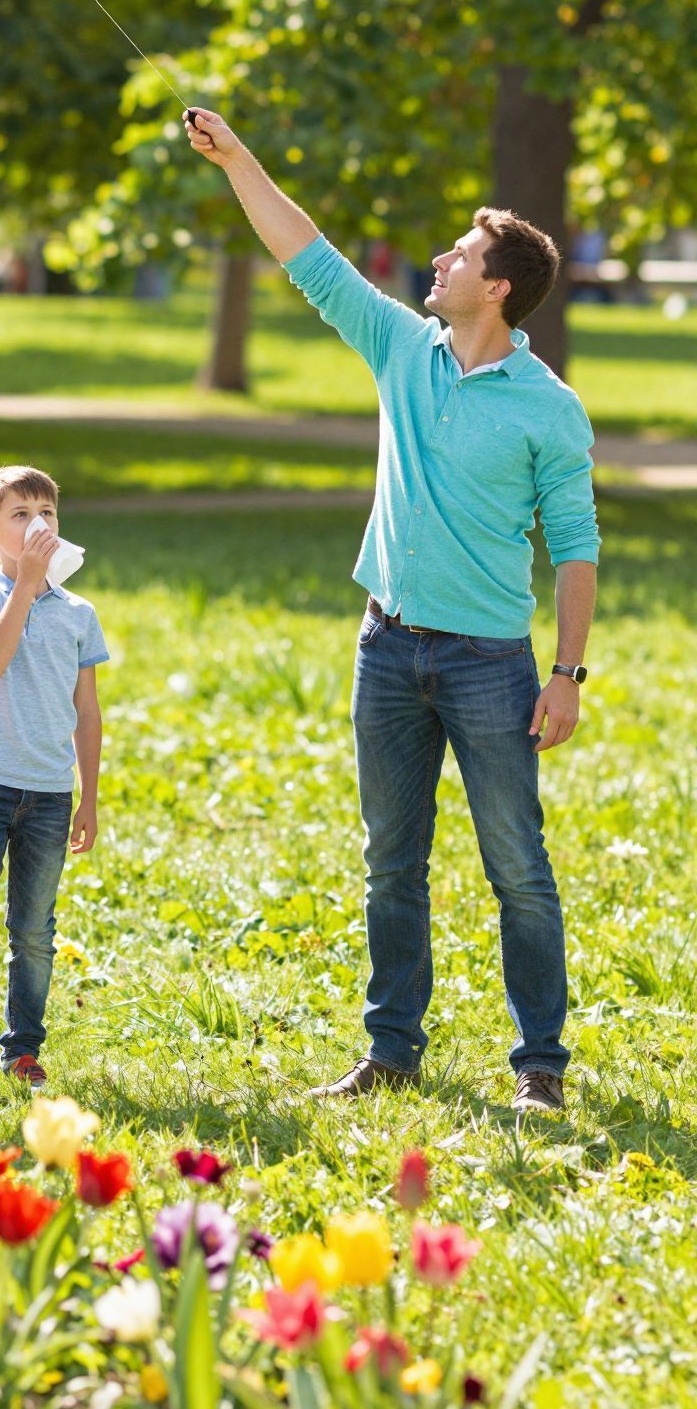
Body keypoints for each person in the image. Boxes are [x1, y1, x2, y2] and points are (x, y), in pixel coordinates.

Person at [184, 108, 599, 1115]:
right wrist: (237, 157)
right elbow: (307, 253)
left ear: (497, 288)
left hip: (490, 664)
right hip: (387, 647)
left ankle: (540, 1064)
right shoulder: (402, 346)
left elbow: (576, 549)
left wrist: (567, 673)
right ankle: (392, 1050)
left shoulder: (548, 406)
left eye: (460, 254)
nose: (440, 261)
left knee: (518, 866)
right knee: (390, 864)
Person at [0, 464, 108, 1103]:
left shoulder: (79, 613)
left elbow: (87, 711)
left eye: (48, 513)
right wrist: (27, 585)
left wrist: (89, 796)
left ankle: (23, 1050)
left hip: (49, 793)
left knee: (34, 931)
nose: (38, 525)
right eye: (21, 515)